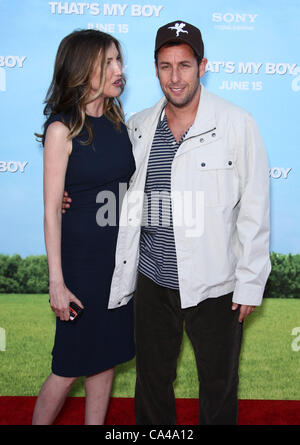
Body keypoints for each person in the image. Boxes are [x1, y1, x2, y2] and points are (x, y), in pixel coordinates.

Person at [64, 20, 271, 425]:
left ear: (202, 66)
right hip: (152, 282)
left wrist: (250, 281)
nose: (175, 78)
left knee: (218, 383)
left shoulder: (236, 123)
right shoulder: (137, 126)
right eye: (165, 66)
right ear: (155, 68)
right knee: (153, 383)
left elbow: (255, 208)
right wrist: (68, 199)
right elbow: (108, 181)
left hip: (216, 285)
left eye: (185, 65)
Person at [32, 29, 135, 425]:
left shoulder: (117, 122)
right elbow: (50, 210)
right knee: (68, 365)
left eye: (119, 60)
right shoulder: (62, 129)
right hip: (81, 266)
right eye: (108, 61)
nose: (119, 70)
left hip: (119, 264)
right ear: (82, 67)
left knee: (105, 357)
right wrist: (56, 281)